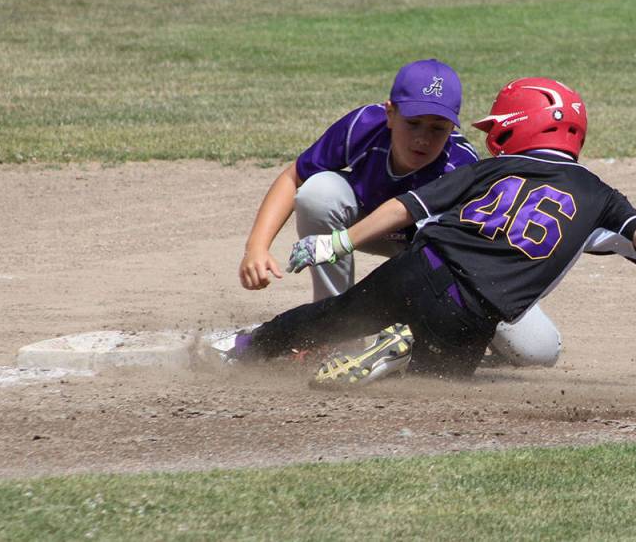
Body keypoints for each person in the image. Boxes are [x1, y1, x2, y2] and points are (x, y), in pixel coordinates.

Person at [216, 77, 636, 387]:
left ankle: (247, 347)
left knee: (331, 317)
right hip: (476, 312)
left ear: (519, 128)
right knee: (437, 382)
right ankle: (400, 351)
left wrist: (337, 242)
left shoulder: (488, 168)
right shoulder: (602, 198)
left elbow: (407, 206)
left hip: (420, 269)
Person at [235, 59, 562, 367]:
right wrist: (256, 248)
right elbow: (295, 177)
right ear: (390, 113)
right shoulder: (363, 127)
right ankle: (334, 333)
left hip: (436, 254)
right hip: (365, 227)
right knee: (318, 193)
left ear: (453, 127)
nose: (422, 137)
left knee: (539, 351)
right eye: (413, 123)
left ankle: (434, 335)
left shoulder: (459, 167)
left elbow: (452, 266)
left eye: (438, 128)